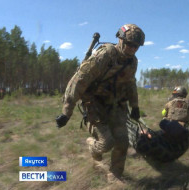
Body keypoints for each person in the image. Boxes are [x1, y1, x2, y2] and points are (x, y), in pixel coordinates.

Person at [55, 24, 145, 182]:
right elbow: (79, 81)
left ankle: (115, 175)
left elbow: (130, 83)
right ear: (120, 40)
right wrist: (66, 112)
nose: (132, 49)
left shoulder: (132, 62)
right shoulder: (105, 55)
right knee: (107, 142)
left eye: (136, 46)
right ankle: (91, 145)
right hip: (95, 104)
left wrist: (135, 106)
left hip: (117, 105)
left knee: (123, 141)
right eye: (130, 44)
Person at [128, 86, 189, 163]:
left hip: (169, 131)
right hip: (182, 136)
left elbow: (163, 113)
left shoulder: (170, 102)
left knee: (157, 127)